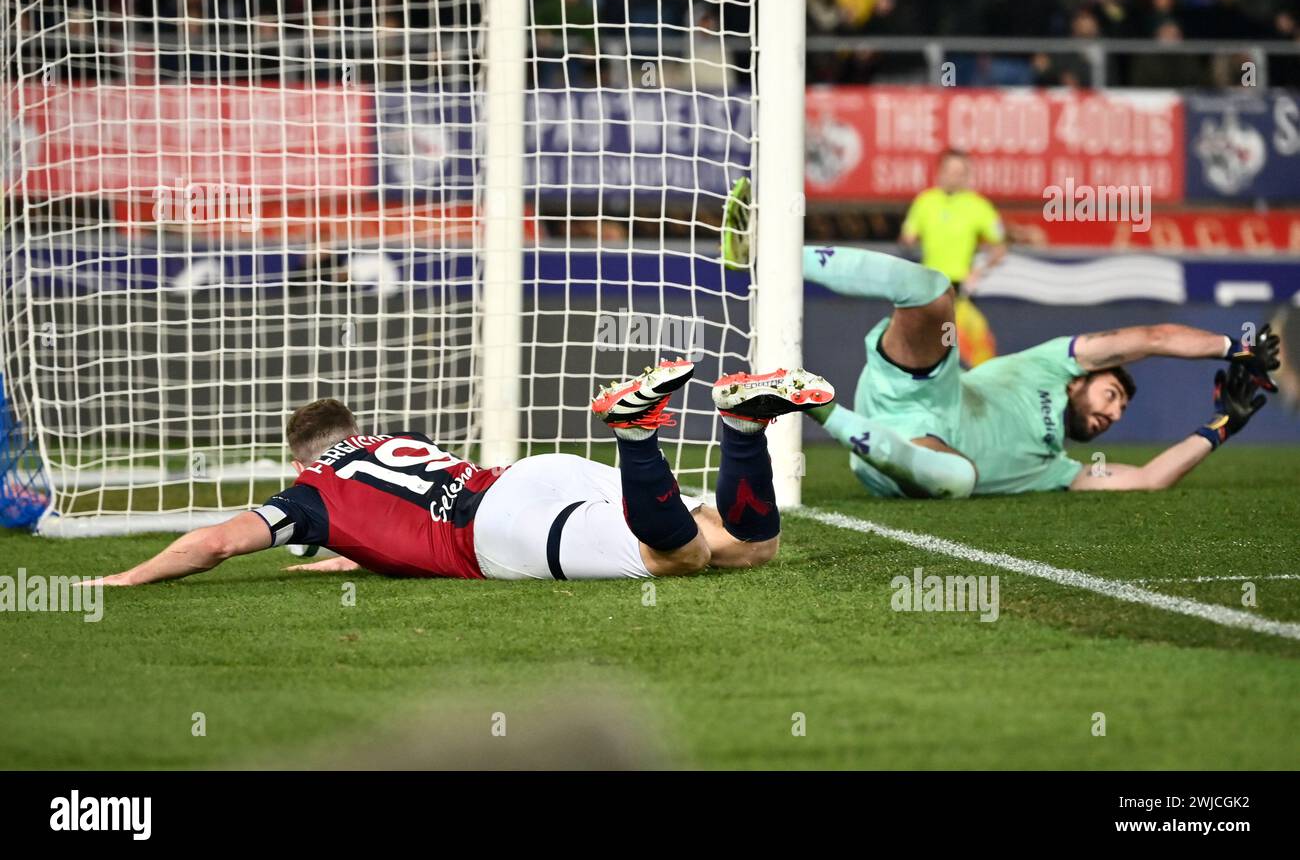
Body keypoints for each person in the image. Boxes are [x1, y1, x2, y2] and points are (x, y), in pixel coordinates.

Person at [81, 362, 834, 585]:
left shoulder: (308, 494)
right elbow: (384, 524)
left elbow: (214, 543)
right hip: (539, 475)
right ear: (361, 433)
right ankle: (742, 426)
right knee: (745, 546)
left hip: (497, 533)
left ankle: (640, 437)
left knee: (684, 557)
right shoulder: (398, 442)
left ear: (304, 459)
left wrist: (116, 581)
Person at [801, 246, 1279, 498]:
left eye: (1121, 412)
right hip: (921, 391)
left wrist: (1222, 426)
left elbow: (1150, 479)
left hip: (915, 462)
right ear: (1078, 380)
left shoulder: (1055, 471)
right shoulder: (1053, 363)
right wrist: (1234, 348)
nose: (1113, 414)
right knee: (933, 290)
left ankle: (819, 409)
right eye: (1111, 395)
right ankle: (780, 253)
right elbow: (1151, 338)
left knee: (959, 480)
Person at [899, 150, 1005, 365]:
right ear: (939, 172)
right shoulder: (925, 201)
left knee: (979, 350)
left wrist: (979, 270)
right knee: (924, 351)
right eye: (949, 171)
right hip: (927, 290)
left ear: (967, 176)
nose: (953, 177)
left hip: (958, 292)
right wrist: (908, 241)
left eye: (960, 172)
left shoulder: (979, 206)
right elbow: (907, 238)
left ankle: (980, 391)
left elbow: (999, 247)